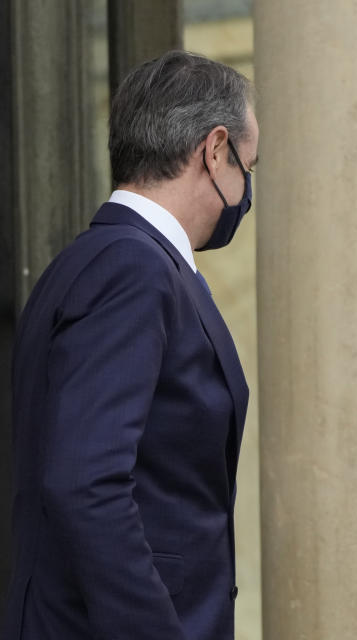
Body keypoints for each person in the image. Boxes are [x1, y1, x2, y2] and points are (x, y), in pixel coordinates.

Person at [1, 50, 256, 640]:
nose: (246, 191)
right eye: (249, 165)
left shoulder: (104, 260)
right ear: (214, 151)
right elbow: (84, 483)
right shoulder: (132, 268)